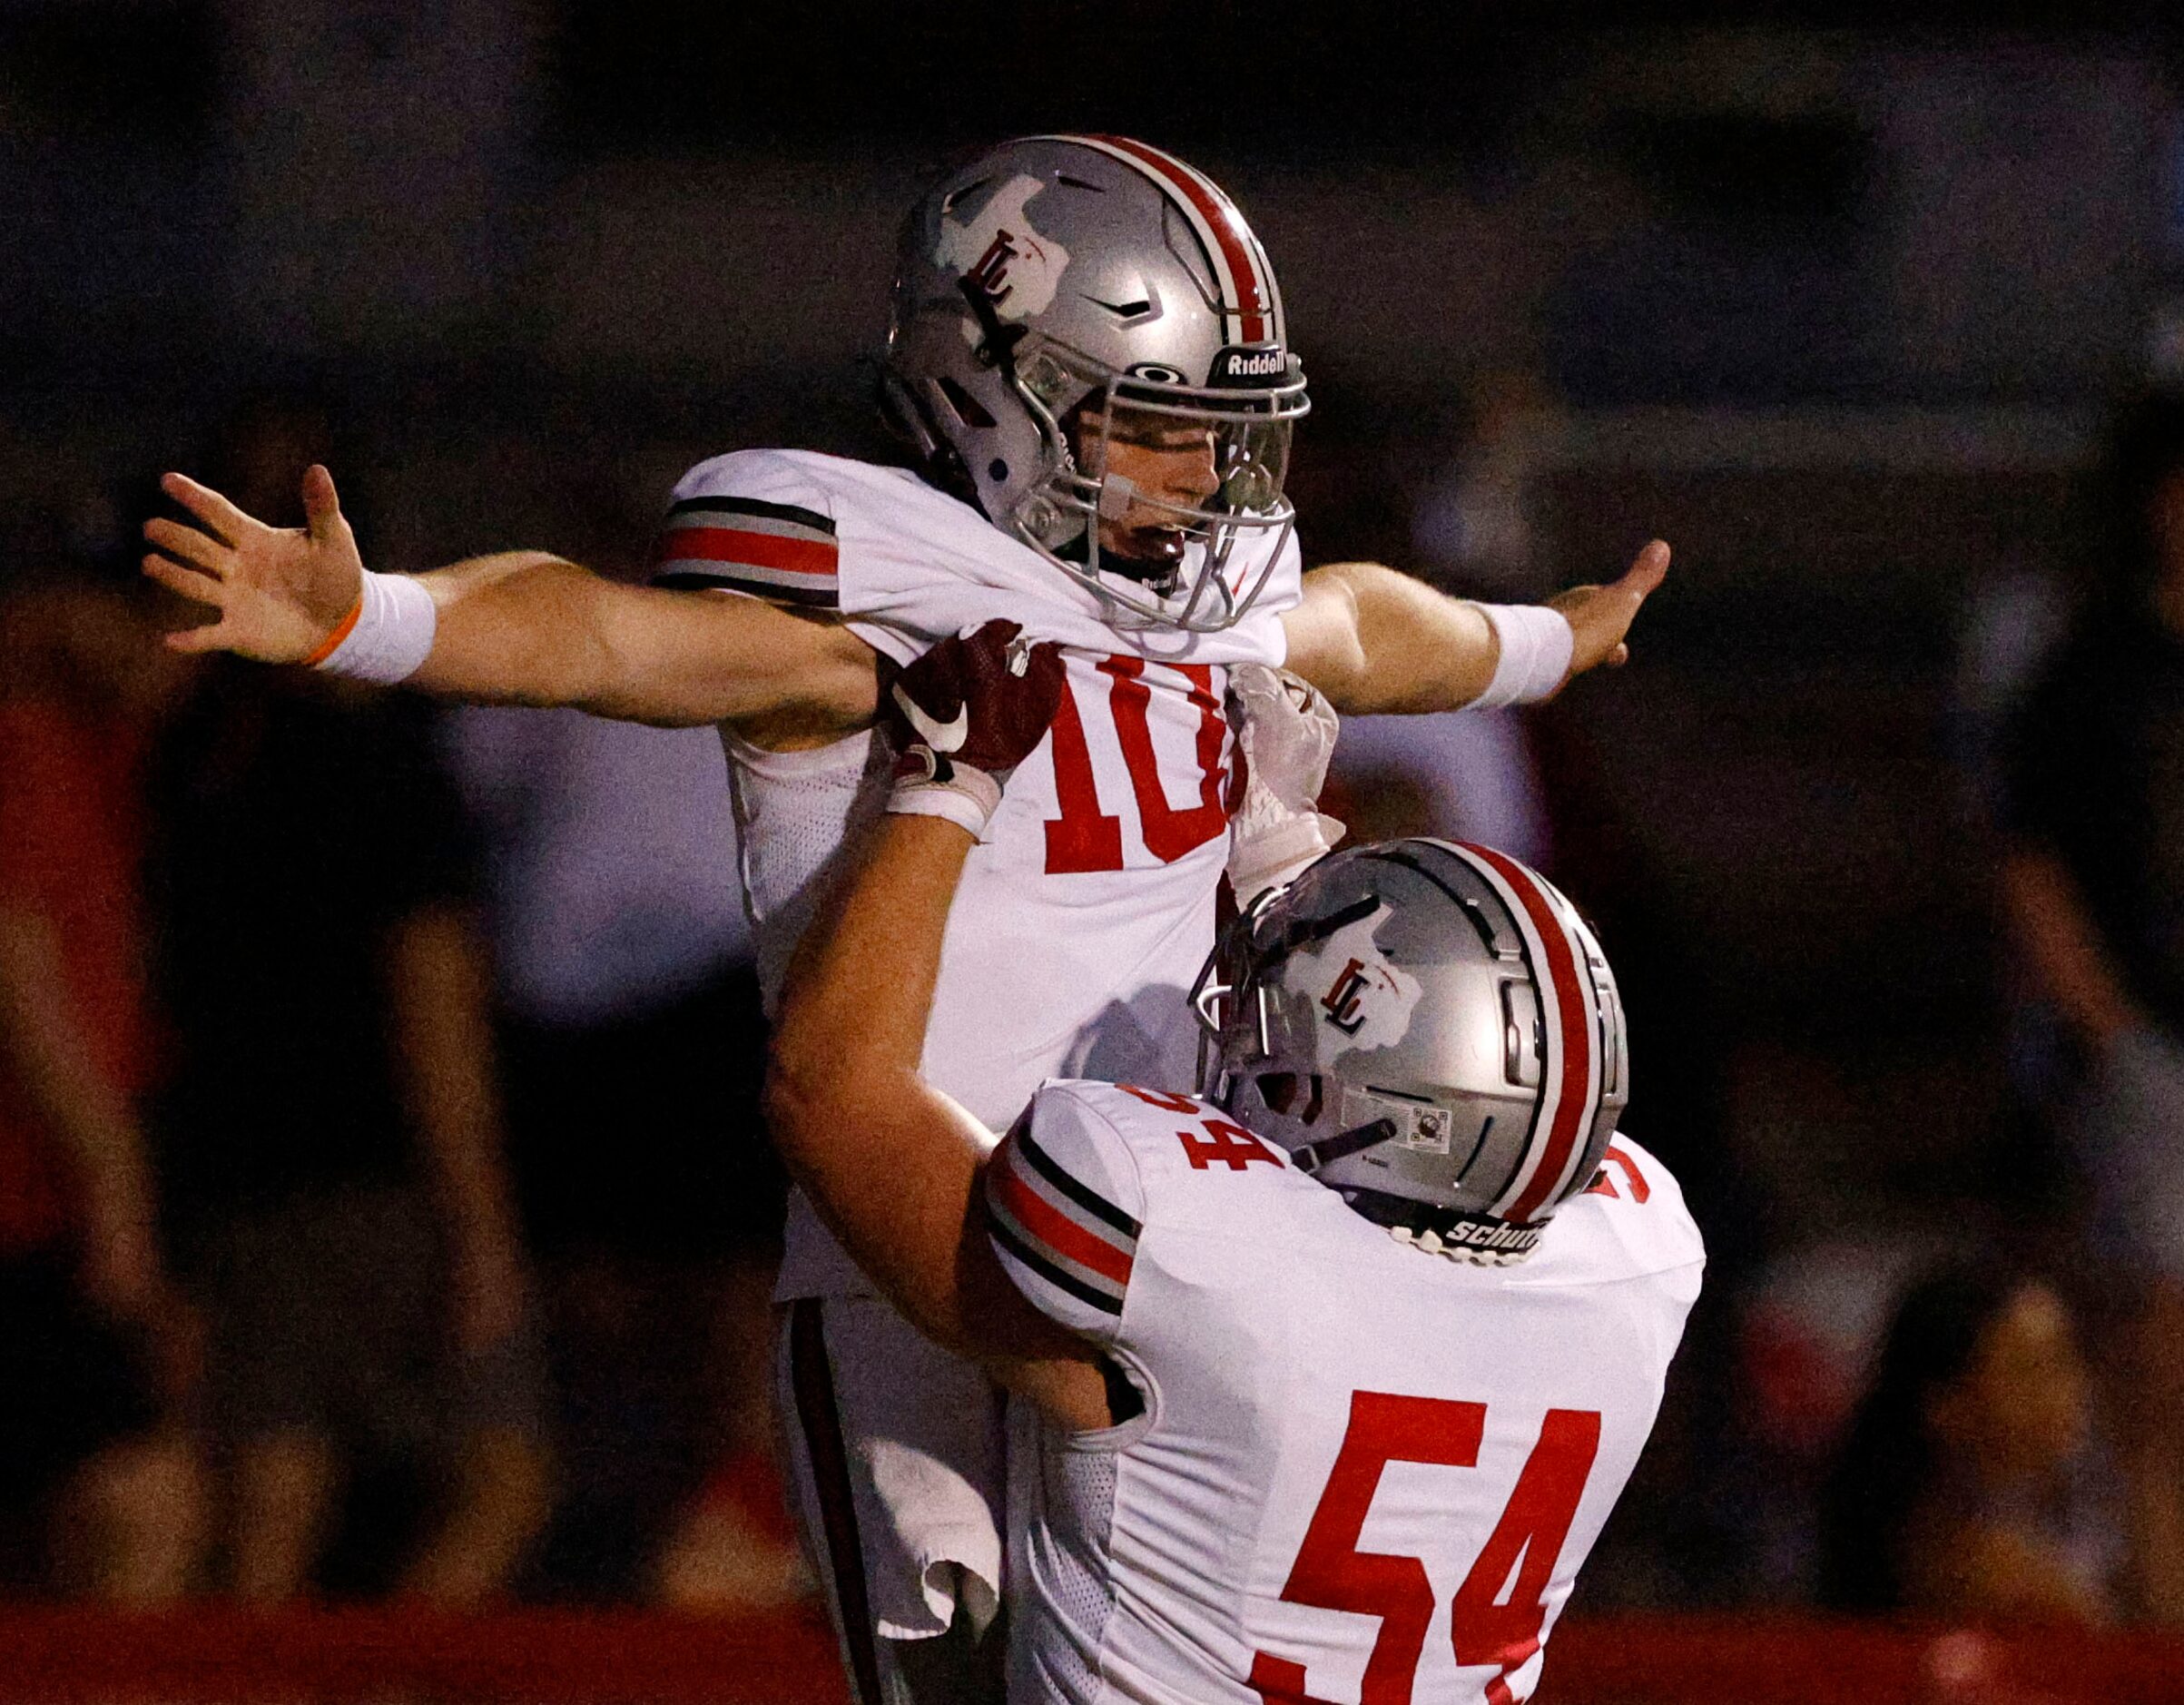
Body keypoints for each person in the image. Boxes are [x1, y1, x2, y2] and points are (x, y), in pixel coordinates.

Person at [141, 134, 1666, 1698]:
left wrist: (1547, 637)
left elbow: (1366, 621)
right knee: (958, 1666)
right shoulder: (892, 601)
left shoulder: (1217, 597)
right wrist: (368, 616)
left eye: (1220, 435)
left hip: (1185, 1242)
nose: (1203, 479)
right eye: (1152, 426)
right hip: (920, 1233)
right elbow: (607, 636)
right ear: (994, 385)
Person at [763, 621, 1703, 1702]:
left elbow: (826, 1090)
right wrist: (1284, 879)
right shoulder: (1631, 1263)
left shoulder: (1197, 1262)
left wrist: (947, 784)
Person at [1817, 1266, 2120, 1623]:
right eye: (2029, 1371)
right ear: (1945, 1405)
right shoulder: (1971, 1572)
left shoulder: (2082, 1509)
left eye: (2066, 1361)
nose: (2066, 1392)